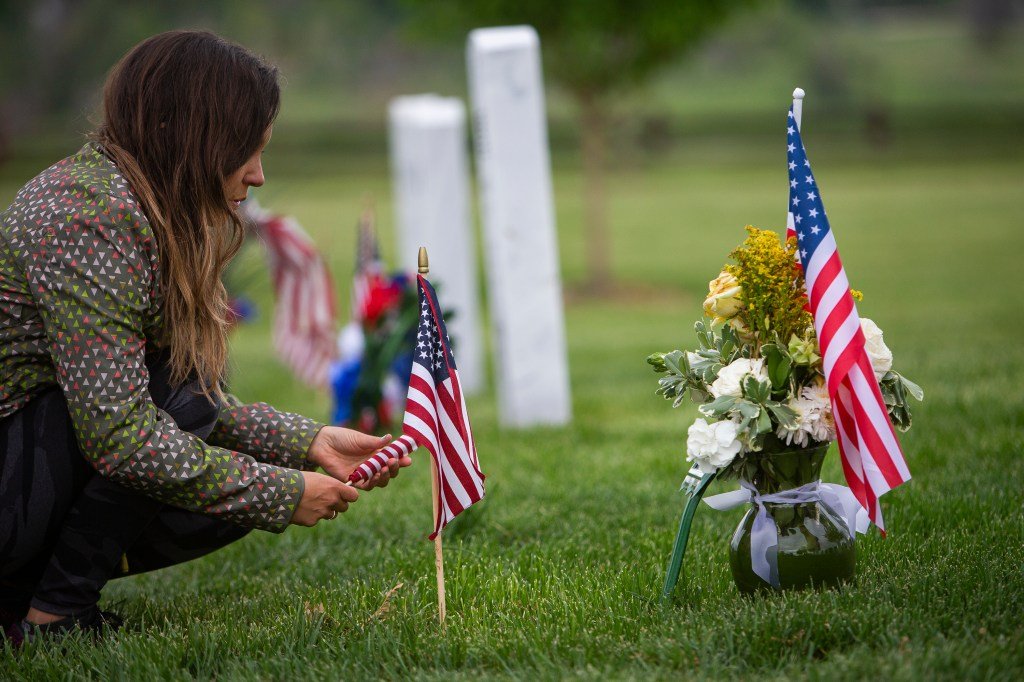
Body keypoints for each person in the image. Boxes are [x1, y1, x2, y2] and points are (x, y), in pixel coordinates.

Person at [0, 30, 412, 642]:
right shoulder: (87, 214)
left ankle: (27, 597)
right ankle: (51, 616)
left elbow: (180, 403)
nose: (259, 175)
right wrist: (279, 491)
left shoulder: (131, 201)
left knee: (211, 434)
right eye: (248, 150)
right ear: (196, 134)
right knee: (199, 432)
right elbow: (120, 435)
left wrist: (308, 443)